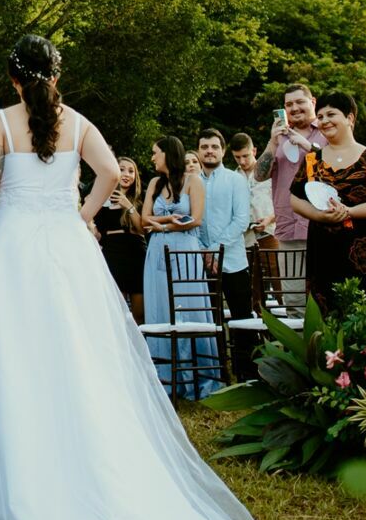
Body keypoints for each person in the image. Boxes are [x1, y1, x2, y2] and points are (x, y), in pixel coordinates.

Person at [0, 34, 252, 520]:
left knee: (18, 360)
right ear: (57, 76)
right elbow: (111, 174)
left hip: (13, 251)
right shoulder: (78, 123)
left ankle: (27, 489)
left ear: (13, 78)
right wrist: (80, 215)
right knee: (78, 355)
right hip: (66, 248)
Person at [289, 94, 366, 308]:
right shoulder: (312, 160)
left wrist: (350, 212)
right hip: (324, 250)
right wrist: (319, 215)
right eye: (320, 116)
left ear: (350, 118)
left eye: (331, 114)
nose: (324, 121)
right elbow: (295, 199)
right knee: (328, 314)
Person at [140, 134, 219, 398]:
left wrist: (161, 225)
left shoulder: (193, 181)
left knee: (189, 307)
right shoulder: (154, 183)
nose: (152, 157)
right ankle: (166, 378)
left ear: (168, 154)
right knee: (160, 308)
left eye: (155, 152)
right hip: (157, 251)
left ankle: (196, 377)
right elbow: (144, 219)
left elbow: (195, 219)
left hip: (185, 250)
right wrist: (167, 220)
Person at [253, 84, 329, 305]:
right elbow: (259, 175)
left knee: (325, 300)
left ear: (312, 102)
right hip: (288, 230)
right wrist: (272, 141)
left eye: (299, 102)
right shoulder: (279, 137)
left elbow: (336, 169)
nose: (294, 108)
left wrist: (308, 146)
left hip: (322, 229)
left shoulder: (326, 130)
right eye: (289, 104)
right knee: (294, 302)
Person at [194, 127, 257, 329]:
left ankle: (246, 353)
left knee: (243, 321)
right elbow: (190, 220)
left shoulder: (236, 180)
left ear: (222, 151)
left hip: (233, 261)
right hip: (201, 262)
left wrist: (214, 249)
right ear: (198, 151)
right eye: (204, 147)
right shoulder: (191, 183)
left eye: (214, 147)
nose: (209, 151)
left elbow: (241, 220)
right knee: (208, 322)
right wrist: (203, 250)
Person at [94, 156, 147, 320]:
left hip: (136, 253)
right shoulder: (101, 196)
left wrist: (128, 206)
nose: (126, 174)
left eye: (131, 171)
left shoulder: (140, 198)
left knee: (139, 312)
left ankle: (141, 336)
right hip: (112, 253)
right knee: (118, 310)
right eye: (122, 169)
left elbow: (142, 229)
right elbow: (97, 232)